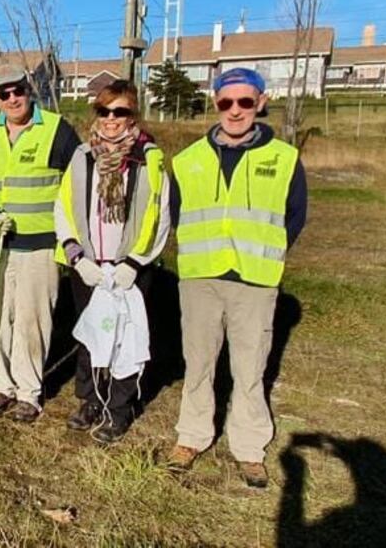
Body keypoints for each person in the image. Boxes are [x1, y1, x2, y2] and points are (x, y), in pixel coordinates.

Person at [166, 67, 308, 488]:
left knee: (250, 366)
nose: (235, 110)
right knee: (199, 362)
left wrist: (265, 253)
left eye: (245, 102)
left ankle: (248, 447)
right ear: (215, 103)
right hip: (200, 279)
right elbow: (177, 215)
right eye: (227, 102)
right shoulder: (188, 159)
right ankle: (191, 436)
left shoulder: (283, 158)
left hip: (255, 280)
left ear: (261, 103)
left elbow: (294, 217)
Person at [54, 80, 170, 443]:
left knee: (125, 339)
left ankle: (118, 409)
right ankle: (90, 400)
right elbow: (64, 207)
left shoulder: (148, 159)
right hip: (89, 265)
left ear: (133, 115)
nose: (111, 119)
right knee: (91, 335)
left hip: (128, 268)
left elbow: (160, 215)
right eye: (104, 111)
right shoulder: (82, 156)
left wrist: (135, 262)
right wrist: (75, 253)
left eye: (119, 111)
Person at [0, 64, 81, 423]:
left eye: (17, 90)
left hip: (40, 244)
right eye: (3, 93)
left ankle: (29, 392)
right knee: (0, 317)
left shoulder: (55, 129)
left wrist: (71, 239)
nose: (12, 98)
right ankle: (1, 384)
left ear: (29, 89)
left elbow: (78, 183)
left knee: (32, 319)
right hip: (0, 243)